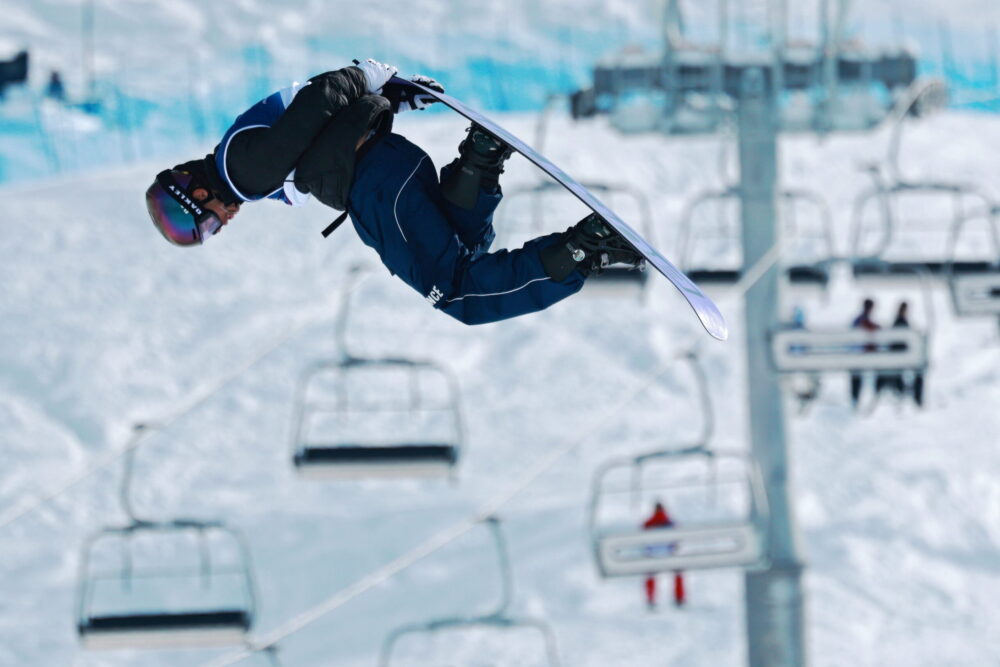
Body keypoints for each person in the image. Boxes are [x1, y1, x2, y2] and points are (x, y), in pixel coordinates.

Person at [143, 59, 644, 326]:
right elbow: (314, 121)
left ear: (196, 191)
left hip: (376, 190)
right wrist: (392, 96)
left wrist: (365, 76)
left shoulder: (241, 172)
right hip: (393, 165)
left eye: (207, 222)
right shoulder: (240, 152)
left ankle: (584, 249)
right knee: (467, 250)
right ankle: (480, 161)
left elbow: (317, 102)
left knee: (458, 295)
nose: (219, 226)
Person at [643, 501, 685, 610]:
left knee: (650, 576)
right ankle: (679, 598)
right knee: (678, 573)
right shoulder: (670, 523)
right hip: (669, 554)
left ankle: (650, 599)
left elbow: (643, 539)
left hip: (653, 555)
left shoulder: (648, 523)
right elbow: (676, 540)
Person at [882, 301, 924, 407]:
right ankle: (915, 398)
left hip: (901, 356)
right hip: (900, 356)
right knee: (916, 373)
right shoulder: (900, 322)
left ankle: (907, 393)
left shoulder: (900, 321)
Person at [849, 297, 880, 408]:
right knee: (858, 379)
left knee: (861, 380)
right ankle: (856, 401)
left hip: (862, 356)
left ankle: (858, 400)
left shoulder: (860, 320)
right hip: (858, 355)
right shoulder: (861, 321)